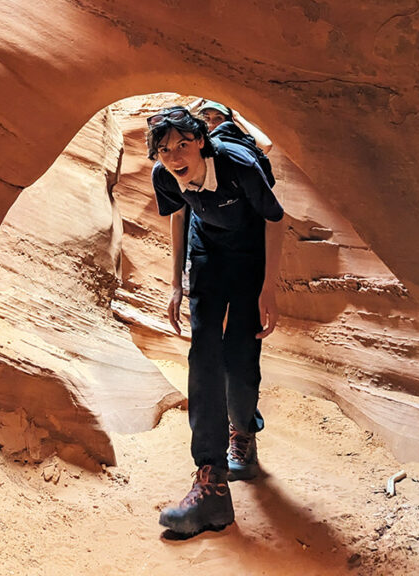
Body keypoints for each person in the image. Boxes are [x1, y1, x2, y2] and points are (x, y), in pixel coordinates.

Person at [147, 105, 284, 537]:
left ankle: (242, 431)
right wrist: (175, 282)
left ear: (201, 142)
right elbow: (178, 213)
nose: (173, 156)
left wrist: (268, 289)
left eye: (182, 145)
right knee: (203, 357)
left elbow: (275, 221)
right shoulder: (164, 174)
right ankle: (211, 484)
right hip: (206, 255)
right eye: (165, 149)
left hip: (247, 258)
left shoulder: (239, 165)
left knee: (239, 358)